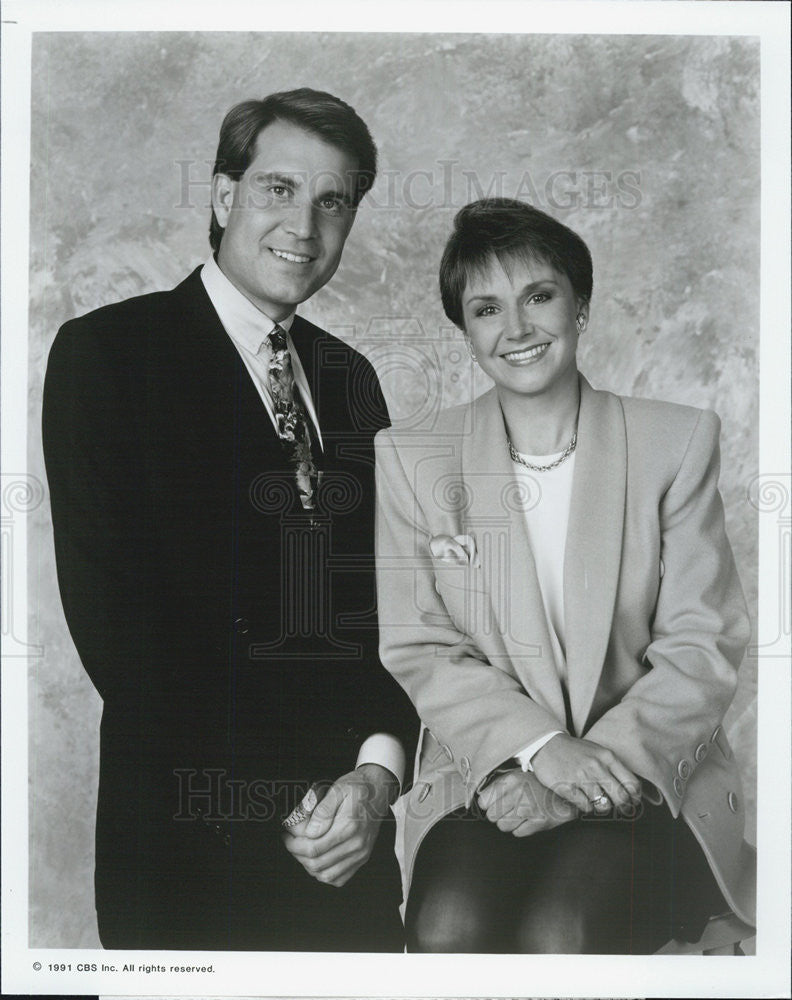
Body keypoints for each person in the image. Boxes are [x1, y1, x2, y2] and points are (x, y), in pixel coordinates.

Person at [42, 88, 417, 951]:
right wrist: (284, 799)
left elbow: (395, 612)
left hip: (350, 859)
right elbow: (120, 631)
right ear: (223, 198)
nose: (305, 225)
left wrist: (374, 780)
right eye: (279, 189)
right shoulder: (110, 356)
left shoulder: (352, 377)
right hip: (189, 855)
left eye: (333, 201)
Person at [375, 197, 755, 953]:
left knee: (564, 930)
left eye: (538, 297)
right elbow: (421, 647)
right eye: (486, 308)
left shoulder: (673, 442)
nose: (515, 329)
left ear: (580, 306)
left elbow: (701, 644)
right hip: (489, 776)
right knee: (449, 927)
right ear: (466, 331)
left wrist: (582, 774)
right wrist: (539, 752)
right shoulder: (412, 458)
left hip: (640, 777)